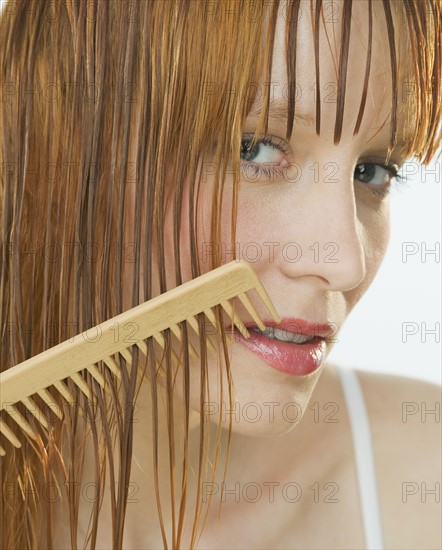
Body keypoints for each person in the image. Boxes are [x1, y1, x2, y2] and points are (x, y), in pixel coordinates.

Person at [0, 0, 440, 548]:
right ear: (55, 143)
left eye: (372, 171)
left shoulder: (423, 474)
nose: (343, 262)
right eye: (253, 149)